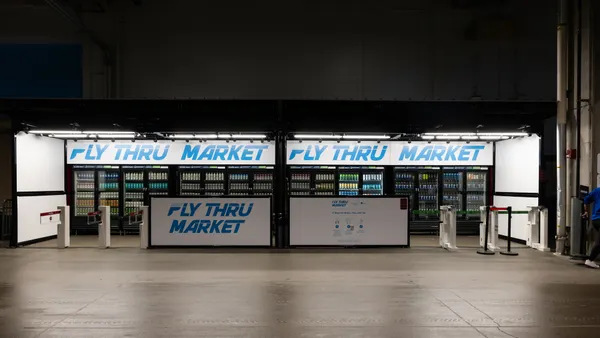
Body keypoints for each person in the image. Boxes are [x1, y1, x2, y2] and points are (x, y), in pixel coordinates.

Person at [582, 188, 600, 268]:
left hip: (595, 220)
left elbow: (586, 199)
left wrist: (586, 211)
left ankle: (590, 260)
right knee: (599, 243)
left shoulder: (597, 190)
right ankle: (590, 260)